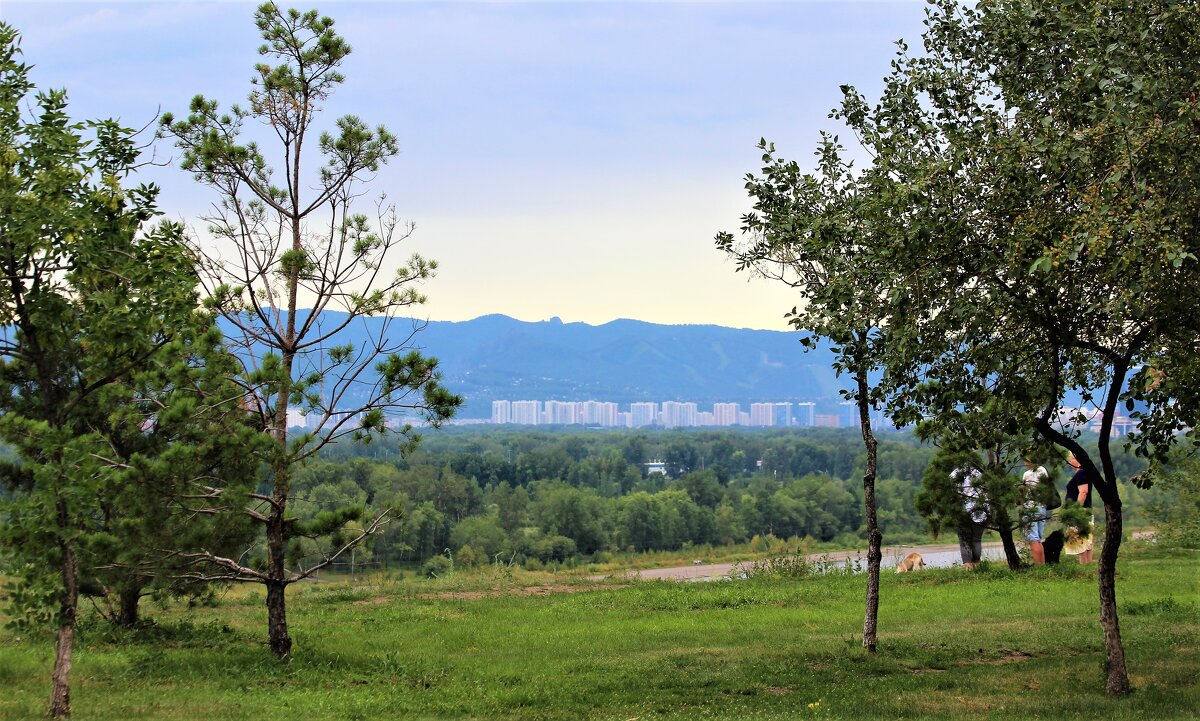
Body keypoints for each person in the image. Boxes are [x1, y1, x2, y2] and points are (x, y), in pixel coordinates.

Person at [1063, 452, 1094, 564]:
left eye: (1070, 460)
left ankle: (1084, 564)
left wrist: (1076, 510)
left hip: (1080, 511)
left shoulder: (1081, 473)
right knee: (1086, 539)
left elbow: (1083, 492)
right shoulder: (1083, 472)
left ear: (1076, 460)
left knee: (1081, 539)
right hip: (1085, 510)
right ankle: (1088, 565)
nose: (1069, 463)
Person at [954, 467, 987, 569]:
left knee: (964, 541)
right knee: (977, 540)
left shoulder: (956, 472)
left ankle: (968, 567)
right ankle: (977, 565)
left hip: (963, 510)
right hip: (980, 510)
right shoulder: (982, 472)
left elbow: (952, 492)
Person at [1022, 460, 1048, 565]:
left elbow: (1023, 492)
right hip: (1042, 507)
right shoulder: (1043, 470)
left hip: (1030, 507)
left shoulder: (1027, 474)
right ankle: (1042, 564)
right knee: (1038, 539)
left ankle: (1038, 566)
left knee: (1033, 539)